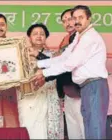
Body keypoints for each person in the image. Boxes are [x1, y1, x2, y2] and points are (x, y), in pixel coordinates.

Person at [33, 5, 109, 139]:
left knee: (94, 130)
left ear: (89, 19)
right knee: (89, 129)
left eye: (81, 17)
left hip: (94, 86)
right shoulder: (79, 36)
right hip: (86, 88)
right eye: (75, 18)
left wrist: (43, 73)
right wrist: (38, 64)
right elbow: (63, 57)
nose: (77, 21)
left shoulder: (89, 38)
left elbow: (69, 64)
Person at [30, 8, 84, 139]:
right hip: (62, 93)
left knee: (81, 128)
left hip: (75, 91)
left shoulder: (80, 39)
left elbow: (63, 66)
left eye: (70, 19)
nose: (68, 23)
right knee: (73, 130)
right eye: (64, 21)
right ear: (29, 37)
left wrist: (42, 68)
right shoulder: (66, 41)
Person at [18, 23, 63, 139]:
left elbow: (57, 70)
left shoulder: (54, 56)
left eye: (42, 34)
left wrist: (39, 55)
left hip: (48, 96)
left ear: (46, 37)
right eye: (35, 34)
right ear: (29, 37)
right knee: (28, 128)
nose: (39, 36)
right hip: (28, 98)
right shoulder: (21, 55)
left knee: (46, 130)